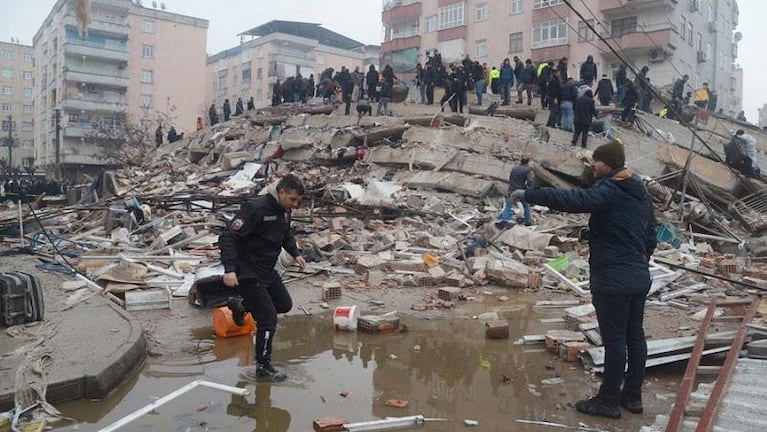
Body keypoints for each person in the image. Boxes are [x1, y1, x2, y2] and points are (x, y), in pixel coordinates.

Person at [510, 140, 656, 419]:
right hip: (637, 274)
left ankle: (608, 401)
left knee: (614, 341)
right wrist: (640, 260)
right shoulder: (640, 192)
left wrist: (530, 195)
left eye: (597, 161)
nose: (592, 165)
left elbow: (575, 200)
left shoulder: (611, 188)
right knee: (634, 336)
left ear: (609, 164)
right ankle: (633, 396)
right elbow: (651, 235)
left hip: (613, 276)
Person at [219, 174, 307, 382]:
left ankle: (242, 305)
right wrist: (229, 269)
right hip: (248, 271)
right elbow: (228, 237)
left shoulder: (285, 212)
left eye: (298, 201)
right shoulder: (256, 208)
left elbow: (285, 234)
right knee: (268, 319)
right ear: (281, 192)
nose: (295, 205)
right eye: (292, 199)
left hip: (268, 269)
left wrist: (295, 253)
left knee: (284, 304)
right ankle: (263, 367)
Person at [507, 157, 533, 226]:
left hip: (512, 189)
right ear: (527, 163)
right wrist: (529, 189)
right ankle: (528, 221)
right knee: (526, 205)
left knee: (508, 205)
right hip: (520, 190)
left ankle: (505, 219)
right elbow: (529, 181)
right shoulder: (527, 170)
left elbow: (510, 178)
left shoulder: (514, 168)